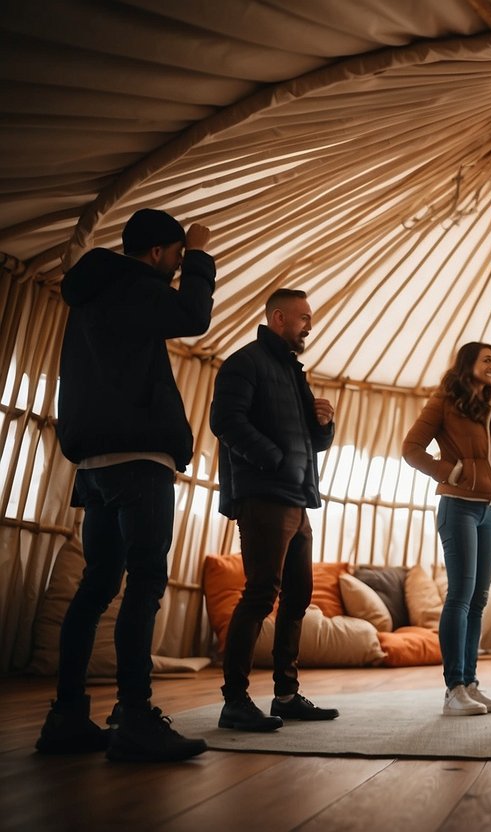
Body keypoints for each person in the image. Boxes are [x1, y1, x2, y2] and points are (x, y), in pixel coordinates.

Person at [39, 208, 213, 762]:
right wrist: (203, 253)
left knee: (97, 586)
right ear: (160, 253)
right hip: (139, 460)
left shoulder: (94, 292)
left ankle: (66, 716)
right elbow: (193, 314)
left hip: (95, 464)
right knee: (143, 585)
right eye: (178, 257)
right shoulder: (135, 285)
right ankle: (135, 717)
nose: (178, 266)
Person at [210, 288, 340, 731]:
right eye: (305, 317)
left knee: (299, 595)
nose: (310, 326)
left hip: (298, 498)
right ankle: (235, 700)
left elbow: (312, 441)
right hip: (264, 495)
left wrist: (325, 425)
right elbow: (226, 423)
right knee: (261, 592)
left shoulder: (293, 372)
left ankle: (285, 695)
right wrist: (275, 460)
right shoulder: (244, 363)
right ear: (279, 318)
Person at [404, 342, 491, 717]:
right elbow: (411, 448)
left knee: (479, 598)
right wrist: (449, 472)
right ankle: (453, 689)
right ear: (468, 364)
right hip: (458, 507)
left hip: (489, 511)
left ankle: (470, 683)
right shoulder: (444, 401)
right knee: (461, 595)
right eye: (487, 360)